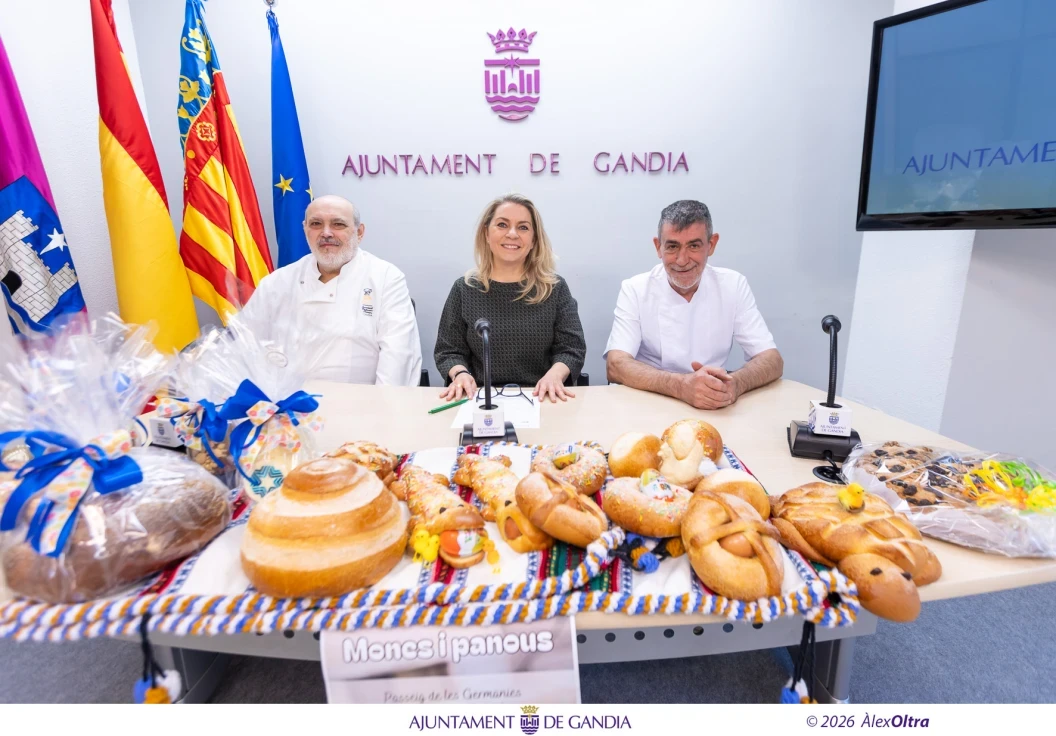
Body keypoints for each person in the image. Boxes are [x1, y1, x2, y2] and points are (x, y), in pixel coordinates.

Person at [604, 200, 783, 409]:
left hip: (712, 404)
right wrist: (681, 386)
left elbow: (772, 360)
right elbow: (616, 365)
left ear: (711, 244)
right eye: (672, 246)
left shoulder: (733, 285)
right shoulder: (635, 289)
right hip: (649, 401)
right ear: (658, 247)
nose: (682, 260)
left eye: (694, 246)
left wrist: (735, 384)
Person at [239, 195, 422, 384]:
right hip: (287, 399)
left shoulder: (386, 278)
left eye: (338, 224)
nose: (326, 233)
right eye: (316, 224)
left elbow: (398, 358)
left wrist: (383, 402)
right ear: (305, 230)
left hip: (362, 399)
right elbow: (244, 346)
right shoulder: (277, 282)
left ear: (359, 232)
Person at [435, 194, 586, 403]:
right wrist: (460, 374)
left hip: (540, 398)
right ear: (486, 234)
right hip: (479, 399)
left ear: (534, 240)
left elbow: (571, 348)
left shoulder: (555, 288)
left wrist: (555, 375)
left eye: (523, 227)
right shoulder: (464, 288)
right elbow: (448, 351)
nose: (512, 234)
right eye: (502, 225)